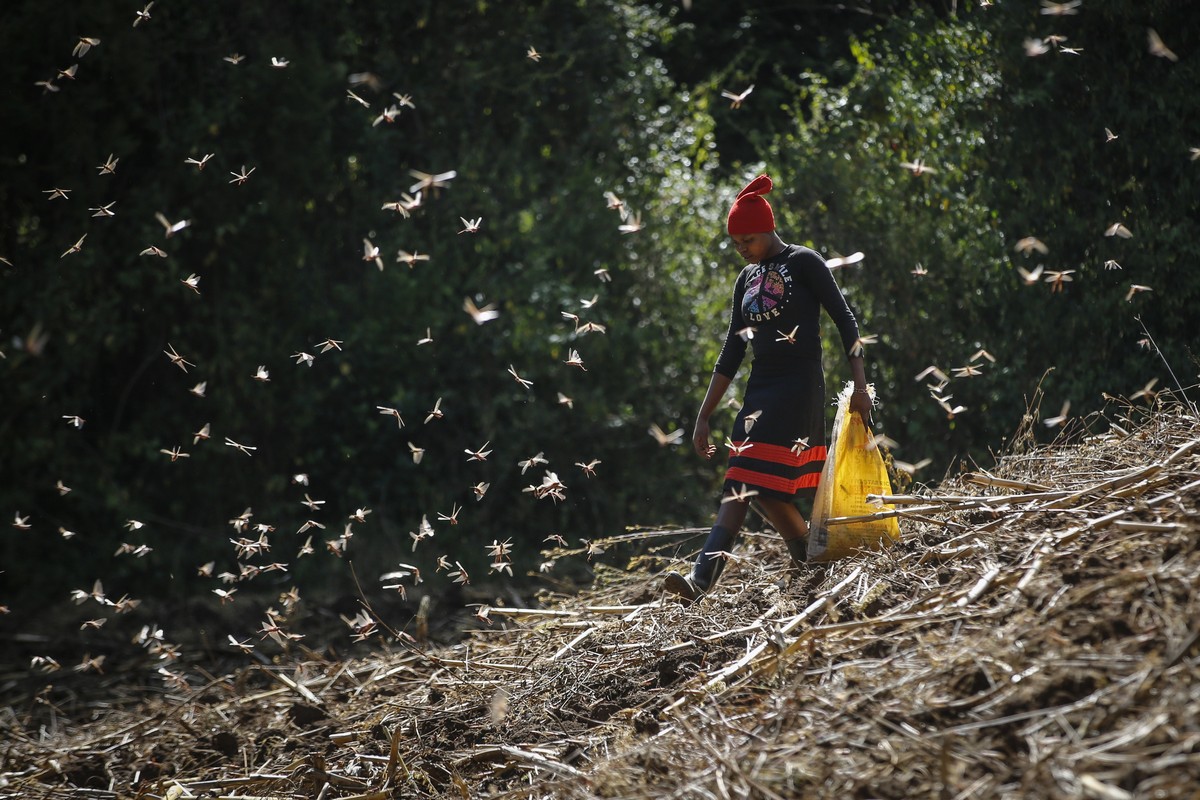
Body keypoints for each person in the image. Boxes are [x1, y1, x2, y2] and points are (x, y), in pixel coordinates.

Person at [663, 174, 873, 602]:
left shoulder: (804, 262)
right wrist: (704, 415)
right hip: (761, 389)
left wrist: (861, 386)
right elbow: (731, 352)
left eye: (749, 240)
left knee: (744, 476)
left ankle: (702, 578)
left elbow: (845, 319)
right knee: (763, 489)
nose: (743, 248)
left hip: (797, 387)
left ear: (769, 229)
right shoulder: (746, 278)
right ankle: (812, 557)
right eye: (737, 243)